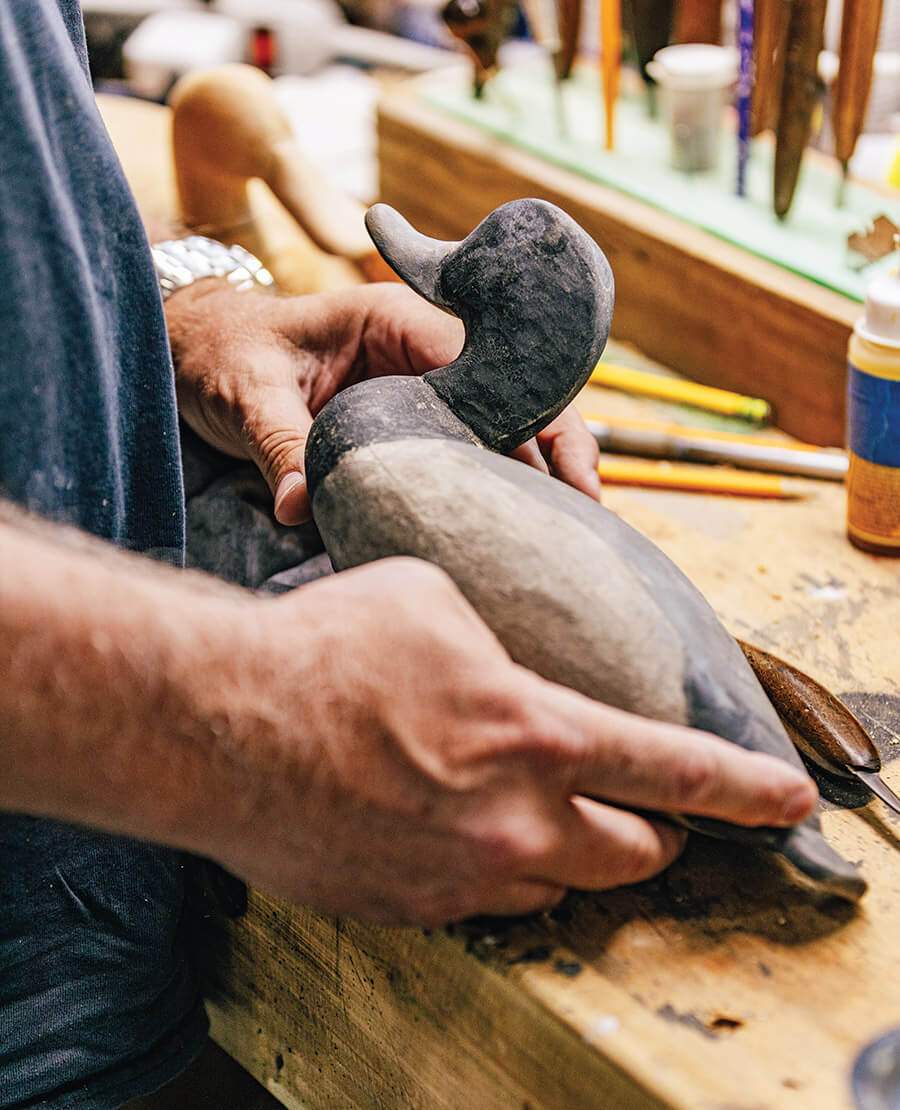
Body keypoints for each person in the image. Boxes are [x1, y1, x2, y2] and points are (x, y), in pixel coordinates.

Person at [0, 2, 819, 1107]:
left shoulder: (395, 446)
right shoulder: (384, 459)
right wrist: (227, 708)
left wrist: (167, 312)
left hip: (97, 954)